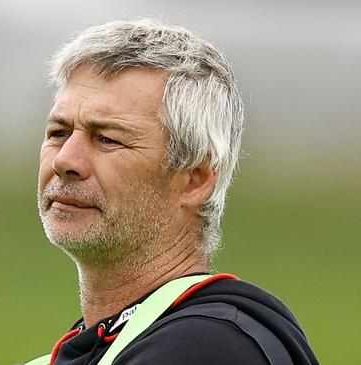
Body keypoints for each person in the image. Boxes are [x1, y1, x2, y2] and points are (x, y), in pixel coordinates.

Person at [29, 19, 319, 365]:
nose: (65, 160)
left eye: (107, 139)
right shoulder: (95, 349)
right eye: (59, 132)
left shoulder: (211, 348)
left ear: (195, 179)